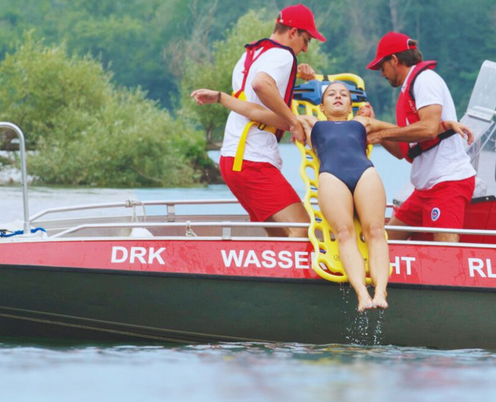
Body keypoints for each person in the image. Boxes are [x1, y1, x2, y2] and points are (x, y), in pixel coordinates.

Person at [193, 80, 472, 310]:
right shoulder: (307, 123)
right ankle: (362, 294)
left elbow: (412, 131)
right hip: (331, 177)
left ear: (350, 105)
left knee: (376, 231)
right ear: (322, 106)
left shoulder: (364, 122)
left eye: (344, 94)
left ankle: (381, 293)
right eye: (331, 94)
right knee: (344, 233)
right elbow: (255, 111)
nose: (338, 96)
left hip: (365, 174)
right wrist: (220, 97)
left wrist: (447, 125)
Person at [206, 4, 325, 237]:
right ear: (293, 32)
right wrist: (294, 122)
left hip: (232, 158)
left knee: (280, 235)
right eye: (306, 40)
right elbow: (261, 85)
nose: (305, 48)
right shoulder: (283, 55)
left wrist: (297, 75)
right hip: (253, 159)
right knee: (303, 229)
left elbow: (255, 97)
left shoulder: (251, 54)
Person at [364, 33, 477, 243]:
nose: (382, 74)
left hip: (447, 181)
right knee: (386, 242)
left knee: (446, 250)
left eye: (382, 66)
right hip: (424, 188)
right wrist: (374, 131)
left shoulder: (425, 80)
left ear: (394, 60)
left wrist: (381, 133)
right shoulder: (409, 86)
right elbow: (402, 151)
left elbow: (429, 129)